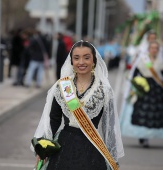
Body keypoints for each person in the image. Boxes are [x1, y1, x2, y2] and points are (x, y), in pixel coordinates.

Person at [31, 41, 124, 170]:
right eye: (76, 58)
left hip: (92, 148)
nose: (81, 62)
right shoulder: (62, 86)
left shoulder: (104, 90)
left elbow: (109, 126)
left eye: (86, 58)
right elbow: (54, 120)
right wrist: (43, 150)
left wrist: (113, 159)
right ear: (71, 61)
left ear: (94, 61)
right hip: (64, 146)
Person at [120, 41, 163, 148]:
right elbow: (135, 73)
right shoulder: (143, 60)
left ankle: (151, 134)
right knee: (143, 111)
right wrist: (137, 84)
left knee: (155, 113)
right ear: (149, 49)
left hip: (157, 89)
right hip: (145, 87)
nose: (154, 50)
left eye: (156, 48)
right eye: (152, 48)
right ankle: (143, 136)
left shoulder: (160, 61)